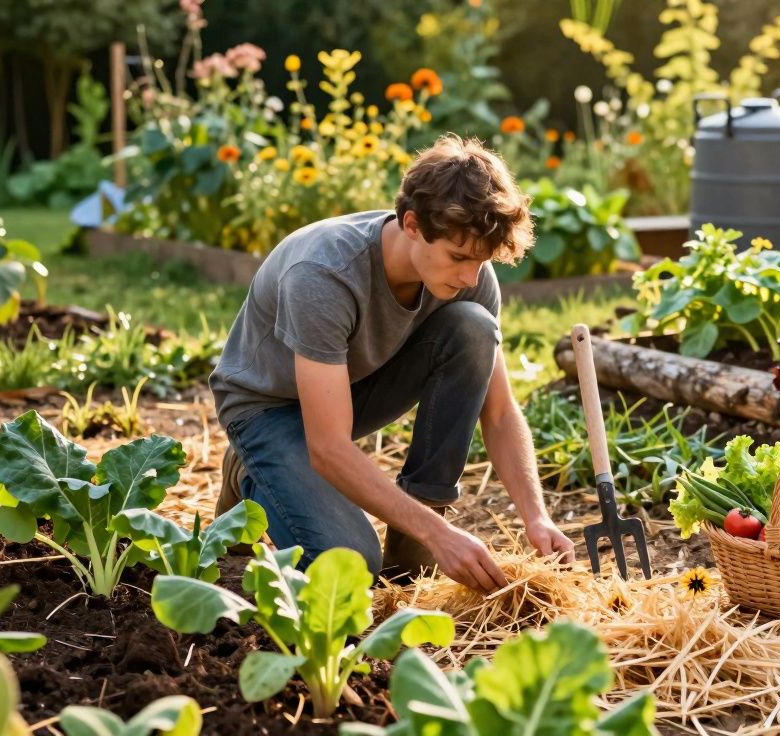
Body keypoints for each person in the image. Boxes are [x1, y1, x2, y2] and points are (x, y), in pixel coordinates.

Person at [210, 134, 576, 593]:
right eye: (458, 257)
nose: (469, 275)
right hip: (268, 407)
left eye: (481, 261)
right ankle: (249, 465)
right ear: (412, 225)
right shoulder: (324, 274)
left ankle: (410, 552)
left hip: (354, 386)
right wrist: (441, 535)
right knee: (348, 567)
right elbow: (328, 446)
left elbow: (499, 412)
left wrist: (536, 517)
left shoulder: (471, 278)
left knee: (473, 327)